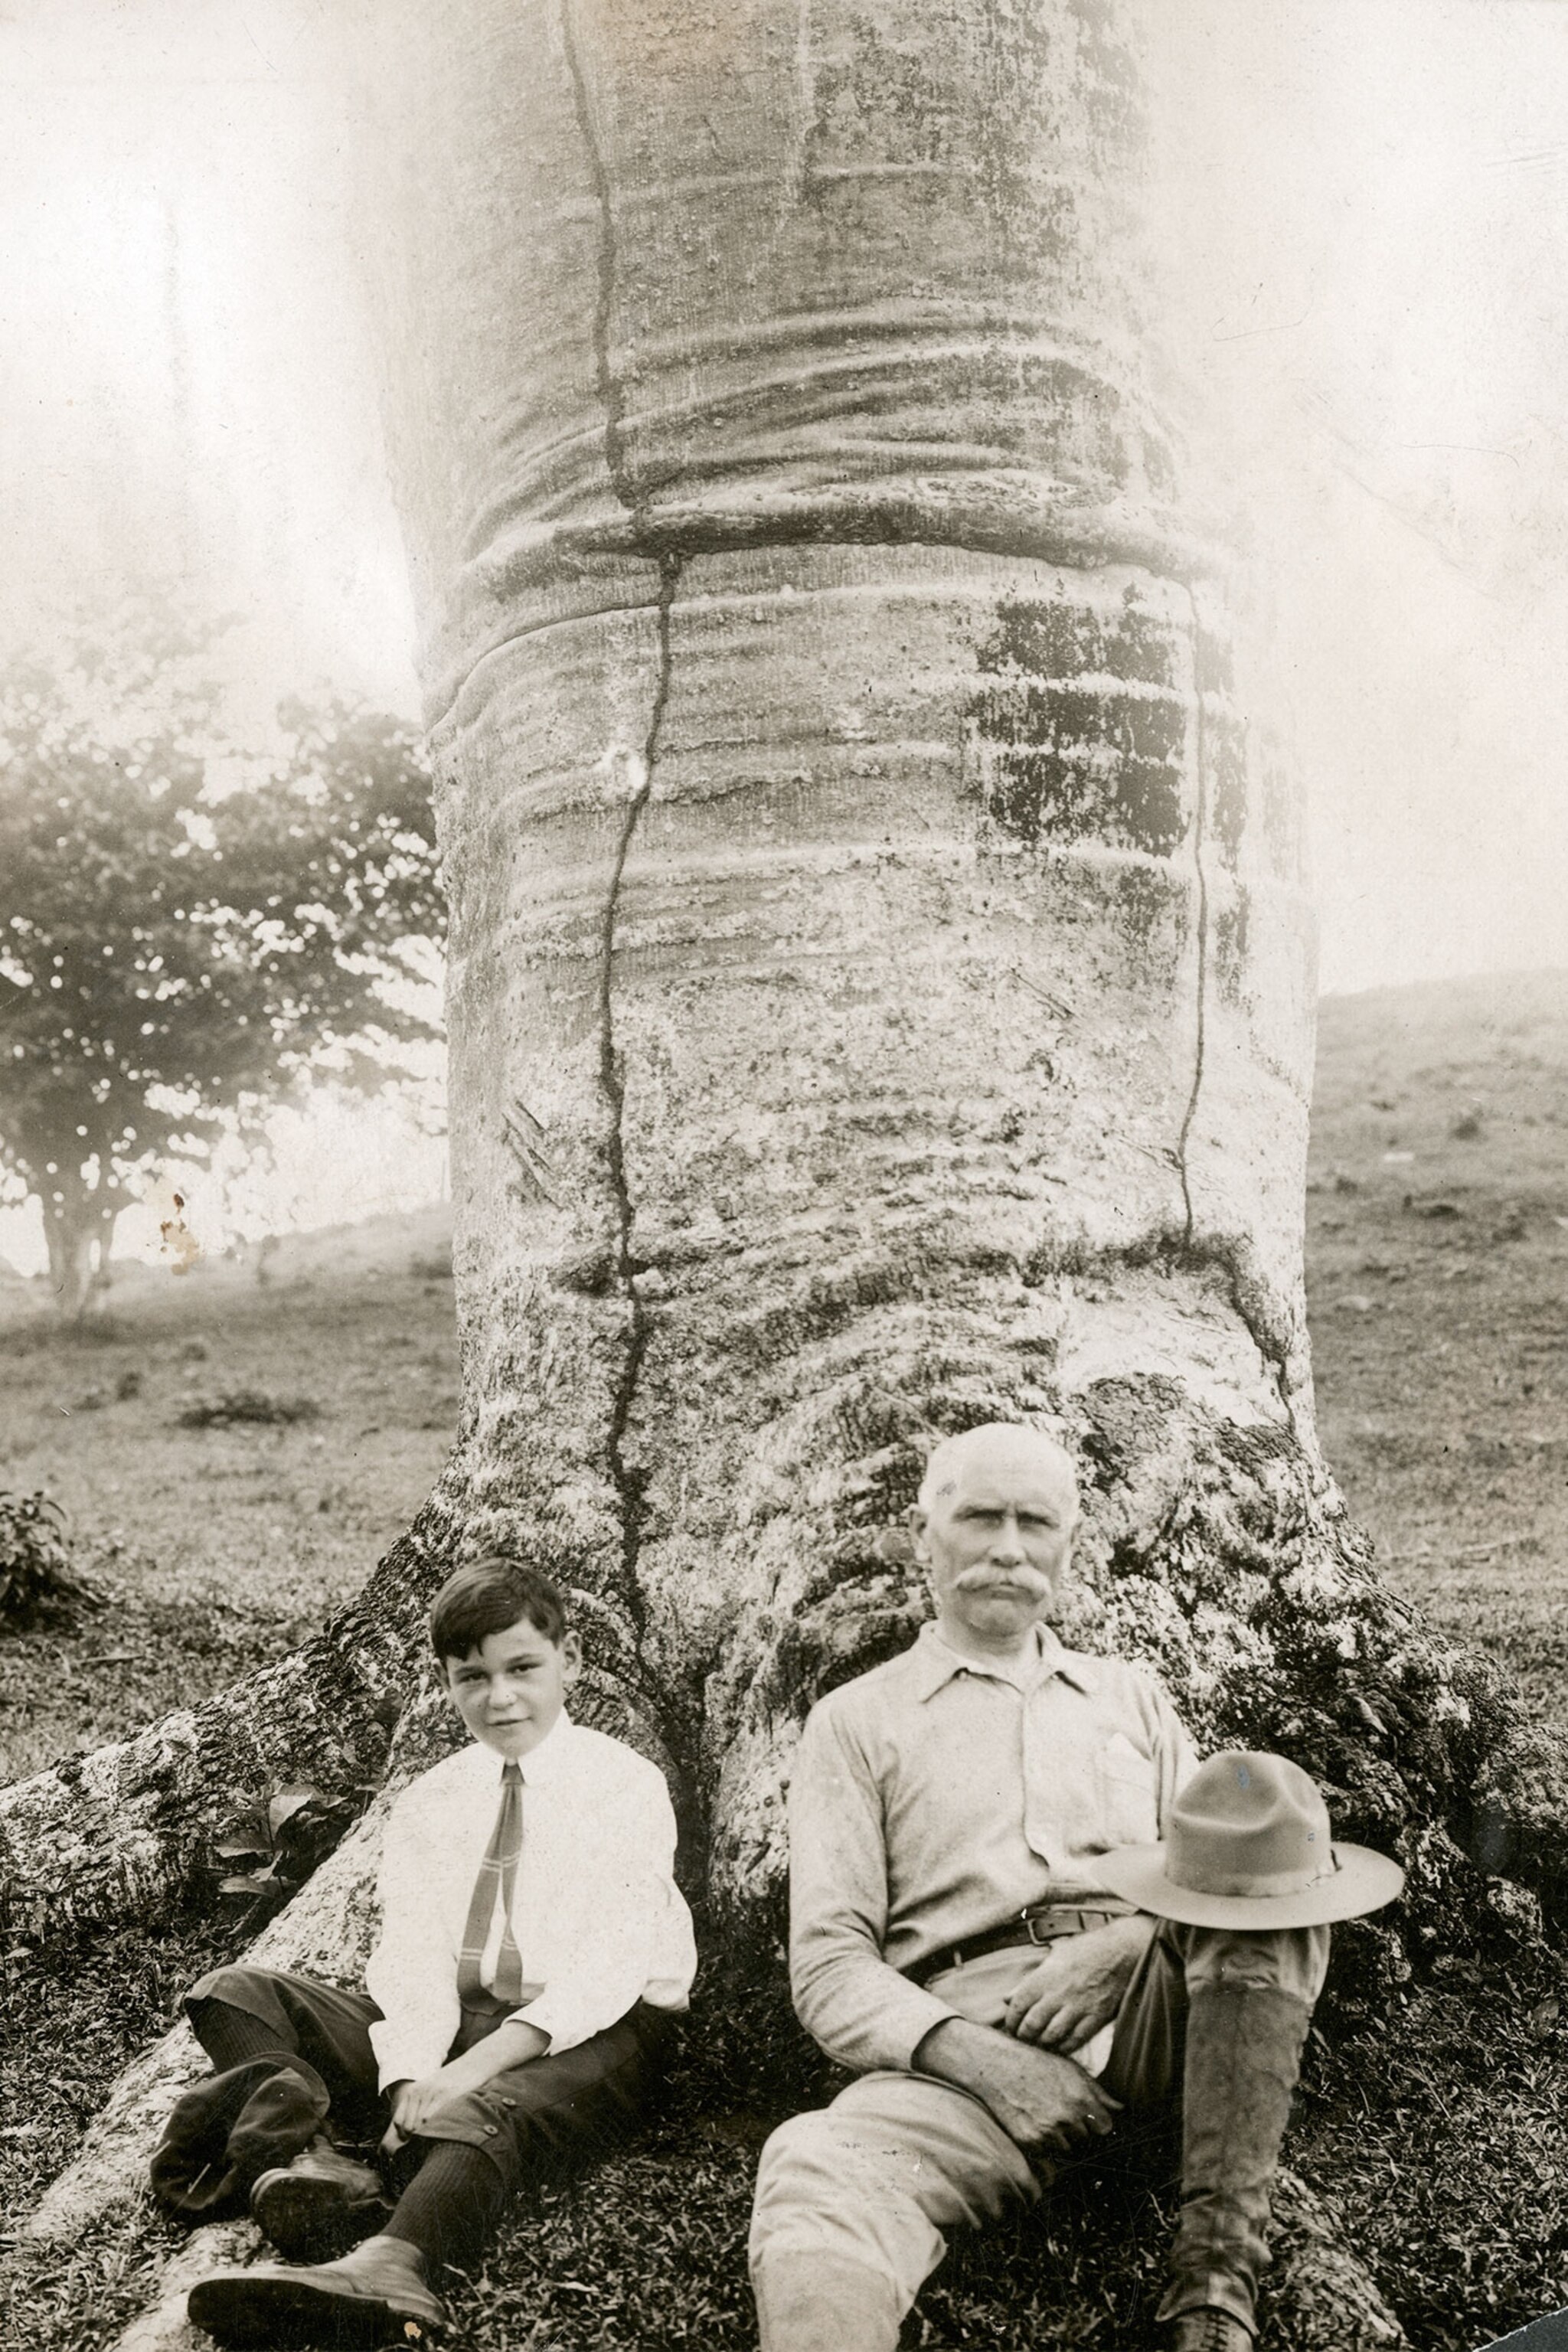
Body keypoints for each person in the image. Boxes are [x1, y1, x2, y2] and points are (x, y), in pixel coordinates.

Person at [748, 1422, 1403, 2352]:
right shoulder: (856, 1722)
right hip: (970, 2061)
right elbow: (826, 1965)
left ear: (1069, 1541)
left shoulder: (1128, 1695)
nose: (1008, 1548)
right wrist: (981, 2061)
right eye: (979, 1517)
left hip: (1165, 2039)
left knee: (1271, 1880)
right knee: (814, 2164)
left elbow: (1223, 1876)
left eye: (1035, 1522)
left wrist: (1132, 1939)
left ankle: (1213, 2285)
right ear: (922, 1533)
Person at [156, 1556, 697, 2347]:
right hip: (460, 2024)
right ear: (444, 1681)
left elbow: (601, 1976)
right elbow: (411, 1958)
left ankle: (394, 2265)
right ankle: (319, 2167)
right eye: (472, 1676)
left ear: (569, 1662)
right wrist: (409, 2075)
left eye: (523, 1668)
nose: (500, 1696)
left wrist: (458, 2077)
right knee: (237, 1991)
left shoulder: (623, 1785)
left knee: (484, 2107)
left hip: (601, 2036)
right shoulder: (433, 1798)